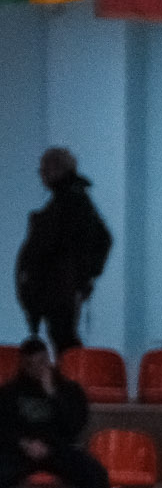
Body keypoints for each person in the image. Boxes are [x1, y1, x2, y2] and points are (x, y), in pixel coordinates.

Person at [15, 148, 110, 354]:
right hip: (58, 286)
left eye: (45, 168)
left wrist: (82, 276)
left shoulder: (71, 201)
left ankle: (71, 373)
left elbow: (100, 239)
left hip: (60, 286)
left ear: (58, 169)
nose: (41, 174)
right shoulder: (68, 200)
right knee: (61, 337)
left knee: (63, 338)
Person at [0, 338, 106, 488]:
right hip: (20, 451)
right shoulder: (9, 392)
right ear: (23, 365)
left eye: (41, 363)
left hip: (57, 449)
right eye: (30, 364)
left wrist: (53, 395)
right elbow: (4, 427)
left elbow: (74, 425)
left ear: (48, 361)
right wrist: (24, 443)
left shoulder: (69, 389)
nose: (37, 369)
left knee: (95, 475)